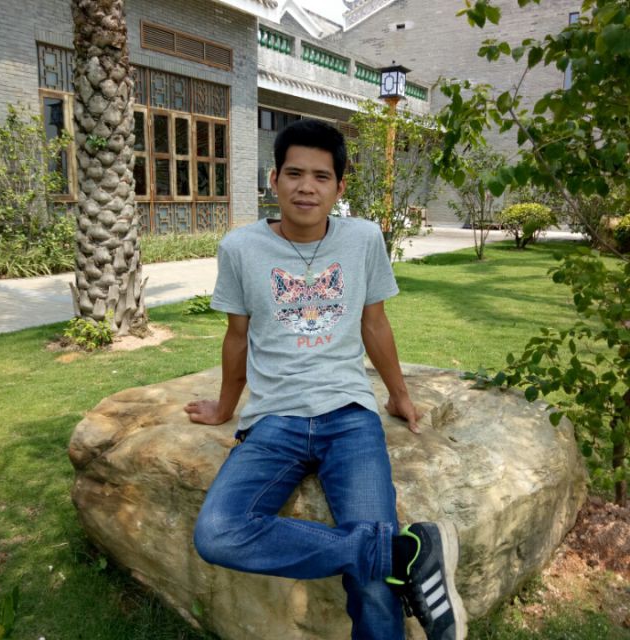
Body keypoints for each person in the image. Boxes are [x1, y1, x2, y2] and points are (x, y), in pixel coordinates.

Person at [185, 119, 467, 640]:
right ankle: (400, 552)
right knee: (218, 533)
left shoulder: (363, 238)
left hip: (350, 416)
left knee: (375, 585)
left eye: (321, 176)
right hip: (274, 420)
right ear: (274, 180)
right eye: (294, 173)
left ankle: (383, 557)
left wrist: (399, 396)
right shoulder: (240, 248)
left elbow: (374, 323)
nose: (306, 188)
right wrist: (225, 408)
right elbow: (236, 337)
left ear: (340, 186)